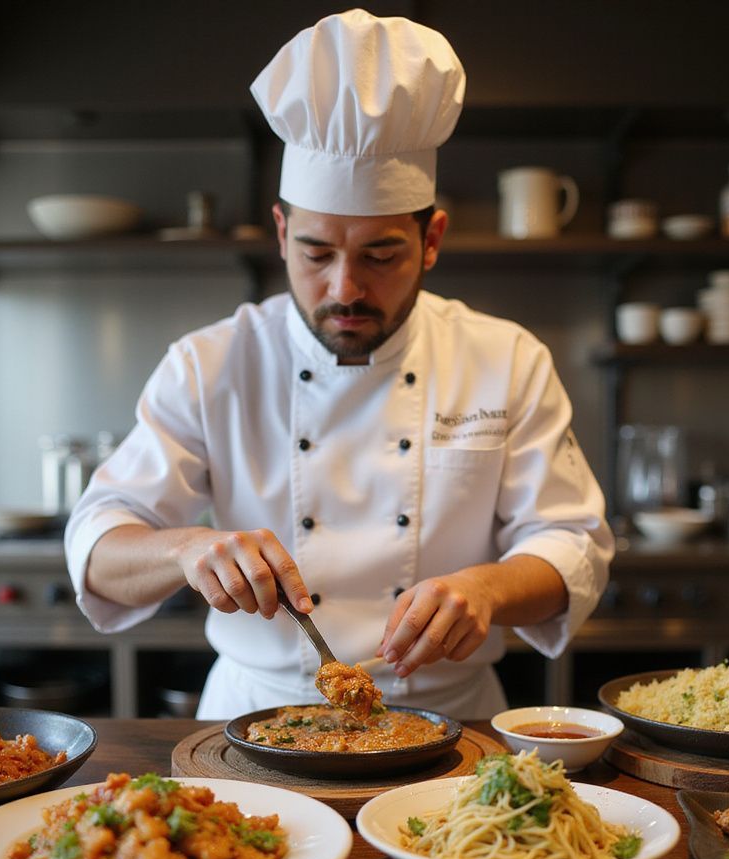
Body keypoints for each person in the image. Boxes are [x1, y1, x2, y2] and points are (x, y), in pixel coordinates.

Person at [64, 8, 614, 719]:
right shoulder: (210, 362)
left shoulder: (505, 357)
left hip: (453, 719)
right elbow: (98, 542)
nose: (345, 288)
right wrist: (187, 550)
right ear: (282, 232)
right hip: (251, 718)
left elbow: (573, 542)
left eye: (381, 255)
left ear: (433, 239)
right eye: (317, 254)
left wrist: (487, 589)